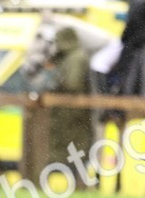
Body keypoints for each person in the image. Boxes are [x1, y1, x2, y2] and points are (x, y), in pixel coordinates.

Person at [28, 27, 94, 188]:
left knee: (73, 152)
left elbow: (73, 83)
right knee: (70, 152)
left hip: (72, 115)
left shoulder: (76, 57)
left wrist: (55, 83)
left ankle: (77, 187)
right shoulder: (70, 57)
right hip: (68, 116)